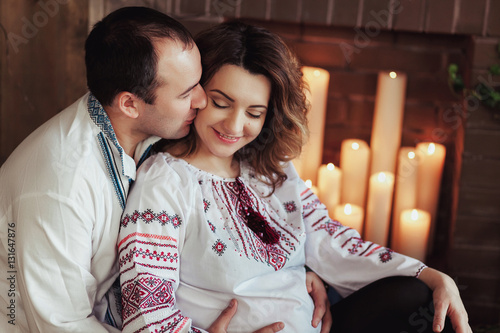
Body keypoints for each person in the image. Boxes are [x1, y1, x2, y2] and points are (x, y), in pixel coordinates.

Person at [118, 20, 472, 333]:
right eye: (221, 102)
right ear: (195, 93)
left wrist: (433, 275)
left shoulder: (269, 169)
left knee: (420, 296)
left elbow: (332, 241)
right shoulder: (164, 184)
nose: (234, 126)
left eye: (254, 112)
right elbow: (145, 313)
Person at [0, 7, 329, 332]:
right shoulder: (59, 189)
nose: (202, 101)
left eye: (199, 82)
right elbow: (62, 325)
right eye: (187, 93)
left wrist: (291, 277)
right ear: (130, 103)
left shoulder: (141, 126)